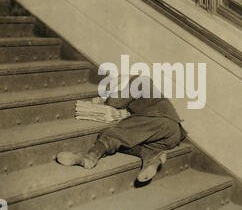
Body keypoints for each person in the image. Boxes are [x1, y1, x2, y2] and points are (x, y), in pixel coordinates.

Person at [57, 75, 186, 182]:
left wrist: (104, 99)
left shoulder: (139, 80)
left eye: (113, 89)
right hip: (171, 136)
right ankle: (151, 156)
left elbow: (115, 102)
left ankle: (89, 157)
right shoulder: (147, 94)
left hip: (159, 122)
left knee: (113, 134)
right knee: (128, 143)